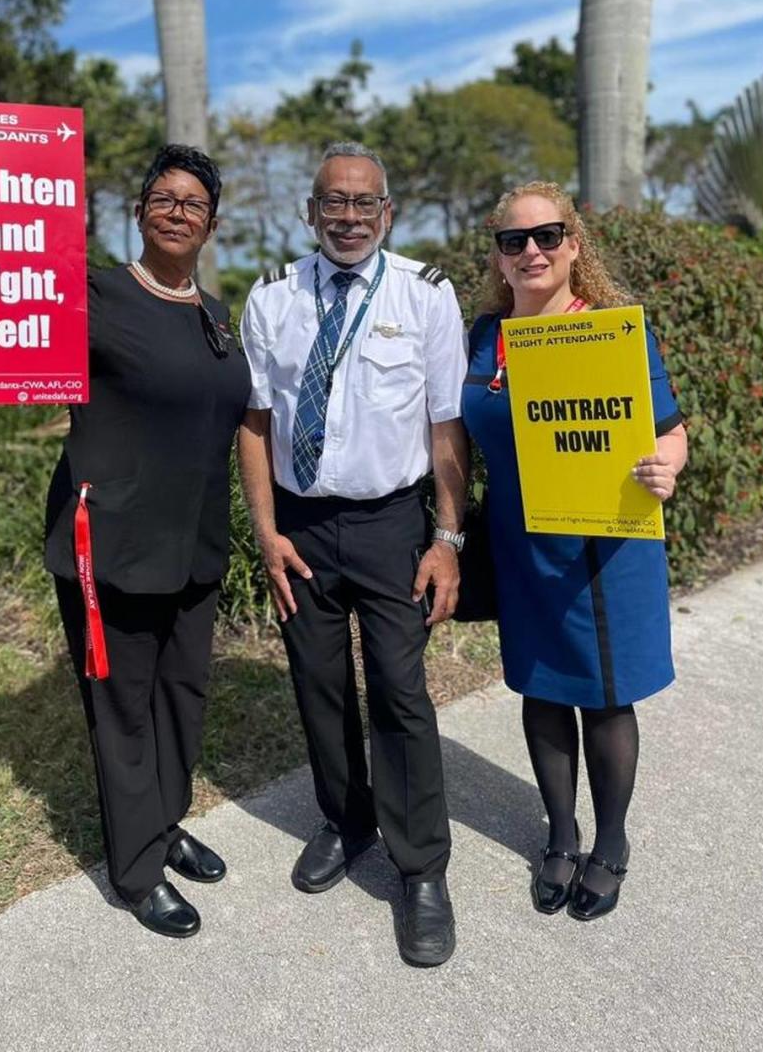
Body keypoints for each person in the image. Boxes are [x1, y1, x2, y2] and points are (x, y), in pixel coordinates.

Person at [0, 144, 252, 939]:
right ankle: (138, 868)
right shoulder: (93, 296)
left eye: (194, 203)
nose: (178, 211)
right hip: (111, 545)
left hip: (195, 549)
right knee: (125, 712)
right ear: (139, 211)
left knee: (181, 699)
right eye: (163, 198)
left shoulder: (214, 314)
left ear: (212, 223)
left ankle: (166, 820)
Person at [238, 141, 469, 967]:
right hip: (301, 523)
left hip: (390, 526)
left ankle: (421, 870)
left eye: (363, 203)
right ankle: (345, 819)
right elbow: (256, 422)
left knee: (401, 691)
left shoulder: (425, 295)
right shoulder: (271, 299)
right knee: (320, 682)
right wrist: (267, 535)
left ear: (387, 213)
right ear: (310, 212)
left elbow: (447, 426)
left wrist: (447, 536)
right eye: (332, 202)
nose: (347, 217)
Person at [462, 181, 687, 921]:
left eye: (547, 236)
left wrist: (667, 464)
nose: (531, 251)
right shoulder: (483, 338)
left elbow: (669, 427)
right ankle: (560, 835)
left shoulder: (612, 332)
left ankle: (611, 843)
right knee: (541, 688)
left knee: (605, 696)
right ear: (496, 256)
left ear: (574, 246)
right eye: (513, 240)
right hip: (521, 544)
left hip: (604, 550)